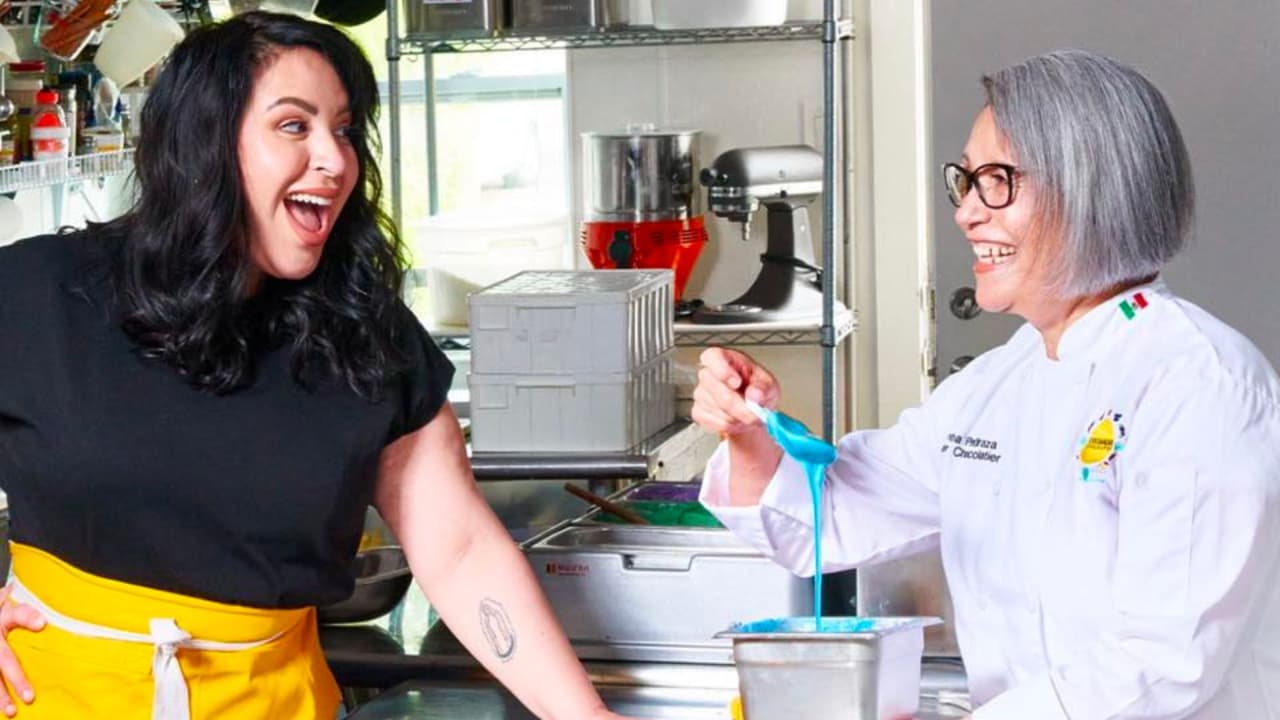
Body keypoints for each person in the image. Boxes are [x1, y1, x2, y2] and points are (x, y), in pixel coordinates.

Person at [0, 12, 630, 720]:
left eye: (344, 129)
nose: (334, 159)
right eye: (295, 127)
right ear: (204, 144)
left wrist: (585, 716)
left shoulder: (363, 332)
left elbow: (458, 551)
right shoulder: (35, 296)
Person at [692, 49, 1280, 719]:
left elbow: (1165, 666)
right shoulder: (1003, 379)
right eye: (965, 182)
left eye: (996, 181)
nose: (967, 213)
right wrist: (748, 432)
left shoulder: (1200, 386)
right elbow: (829, 517)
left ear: (1093, 185)